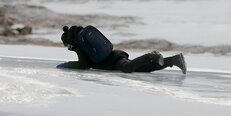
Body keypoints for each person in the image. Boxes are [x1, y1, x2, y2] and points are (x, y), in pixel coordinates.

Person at [58, 25, 186, 74]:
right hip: (114, 56)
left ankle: (151, 56)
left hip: (113, 60)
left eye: (66, 45)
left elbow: (83, 65)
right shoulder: (83, 39)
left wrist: (64, 66)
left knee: (128, 68)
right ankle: (174, 60)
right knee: (144, 69)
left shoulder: (79, 45)